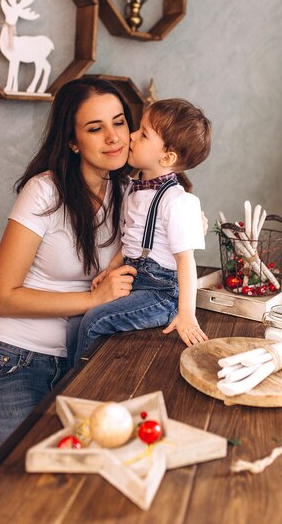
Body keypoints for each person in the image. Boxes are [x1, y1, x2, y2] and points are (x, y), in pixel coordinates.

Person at [0, 77, 139, 460]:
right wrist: (92, 298)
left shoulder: (128, 193)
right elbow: (1, 298)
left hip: (79, 361)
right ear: (73, 141)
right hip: (12, 364)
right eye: (96, 128)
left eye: (119, 122)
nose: (113, 137)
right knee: (17, 500)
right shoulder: (45, 191)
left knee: (65, 491)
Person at [67, 98, 212, 366]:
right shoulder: (134, 190)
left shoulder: (178, 201)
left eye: (143, 134)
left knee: (94, 320)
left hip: (161, 293)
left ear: (167, 157)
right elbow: (132, 242)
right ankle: (67, 381)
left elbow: (185, 261)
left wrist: (186, 313)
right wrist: (110, 270)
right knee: (76, 321)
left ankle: (76, 387)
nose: (131, 135)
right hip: (135, 280)